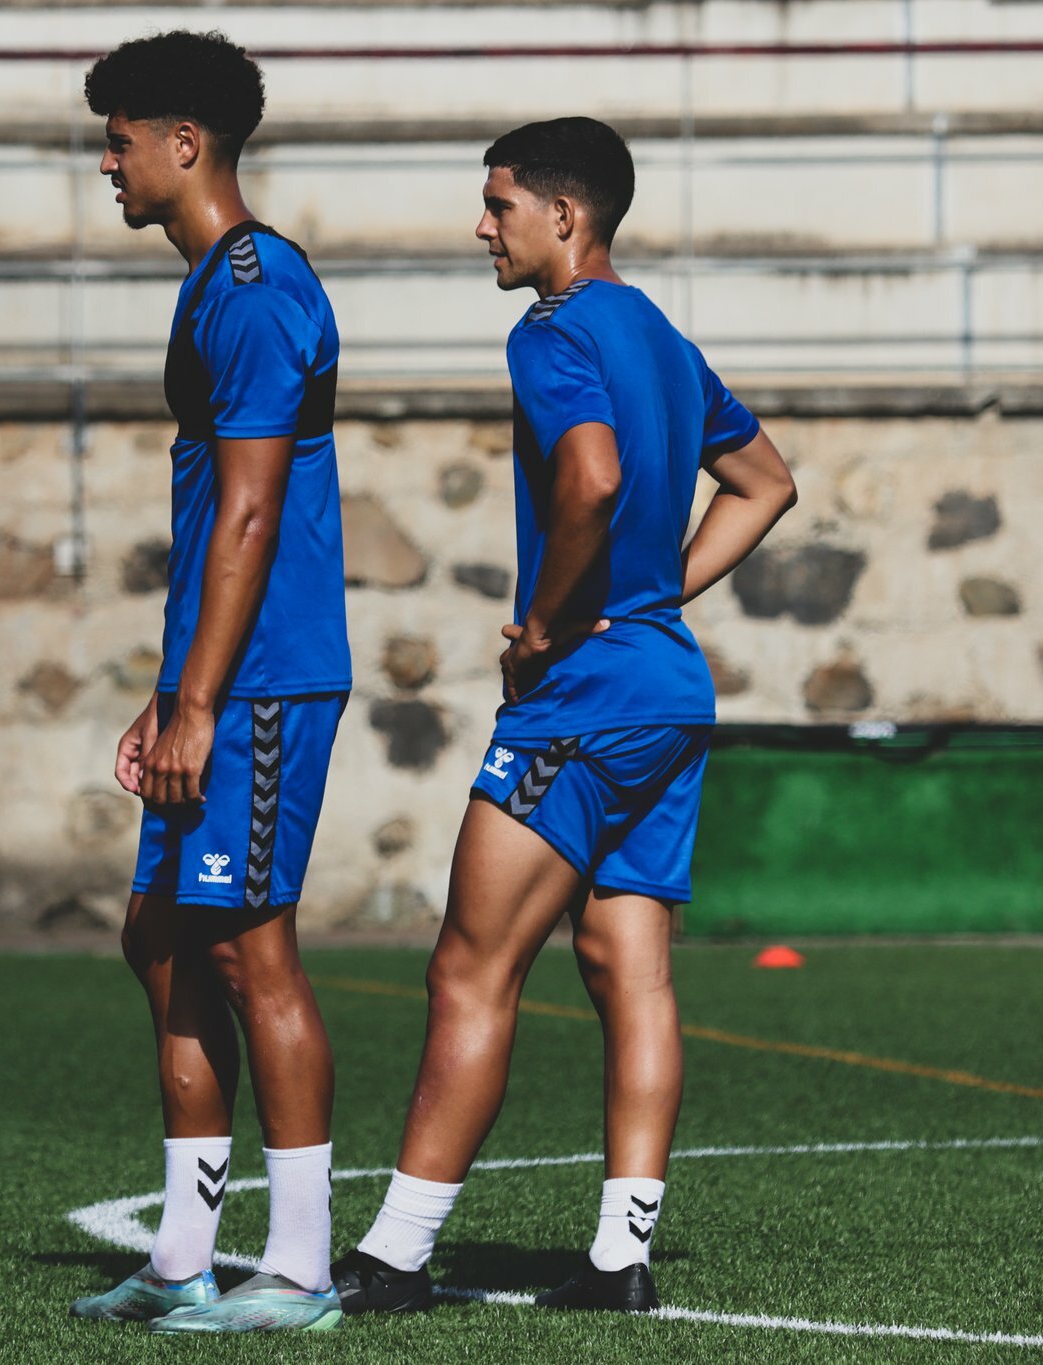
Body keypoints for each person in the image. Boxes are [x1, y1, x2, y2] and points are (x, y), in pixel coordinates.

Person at [331, 118, 798, 1315]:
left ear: (563, 218)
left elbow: (587, 479)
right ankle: (617, 1256)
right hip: (667, 690)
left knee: (469, 972)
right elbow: (765, 483)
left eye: (497, 206)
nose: (480, 227)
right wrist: (656, 596)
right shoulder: (659, 334)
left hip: (582, 699)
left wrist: (545, 622)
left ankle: (390, 1253)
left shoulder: (548, 333)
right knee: (624, 969)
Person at [65, 31, 351, 1335]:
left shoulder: (253, 287)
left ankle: (298, 1271)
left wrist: (199, 699)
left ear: (187, 144)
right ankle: (183, 1255)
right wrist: (167, 685)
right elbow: (210, 530)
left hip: (267, 684)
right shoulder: (211, 288)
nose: (106, 164)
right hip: (216, 678)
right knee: (162, 939)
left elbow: (248, 516)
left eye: (119, 139)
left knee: (248, 954)